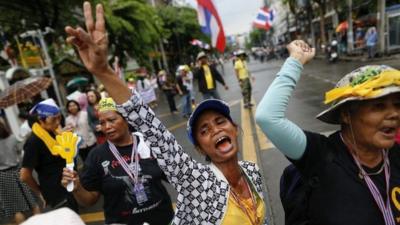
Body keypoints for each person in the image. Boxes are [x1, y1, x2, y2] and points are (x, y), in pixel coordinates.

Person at [65, 2, 267, 224]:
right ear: (199, 148)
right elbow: (150, 125)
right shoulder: (196, 182)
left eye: (220, 121)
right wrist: (103, 71)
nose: (216, 129)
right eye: (204, 129)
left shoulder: (251, 172)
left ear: (234, 129)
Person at [255, 40, 400, 225]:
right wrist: (295, 60)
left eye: (397, 105)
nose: (394, 114)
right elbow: (268, 117)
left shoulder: (396, 155)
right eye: (379, 106)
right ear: (346, 114)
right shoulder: (321, 156)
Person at [61, 97, 174, 225]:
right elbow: (89, 200)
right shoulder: (96, 156)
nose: (107, 127)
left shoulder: (147, 144)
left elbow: (175, 178)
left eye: (112, 120)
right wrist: (77, 188)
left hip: (163, 218)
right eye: (102, 123)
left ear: (126, 119)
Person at [20, 99, 79, 212]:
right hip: (56, 194)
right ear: (40, 120)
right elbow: (24, 175)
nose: (57, 122)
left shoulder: (53, 131)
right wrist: (40, 192)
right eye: (53, 119)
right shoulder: (34, 141)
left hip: (69, 186)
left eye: (59, 118)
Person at [0, 121, 40, 224]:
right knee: (33, 203)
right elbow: (20, 152)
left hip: (4, 176)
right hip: (19, 171)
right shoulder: (12, 138)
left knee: (16, 209)